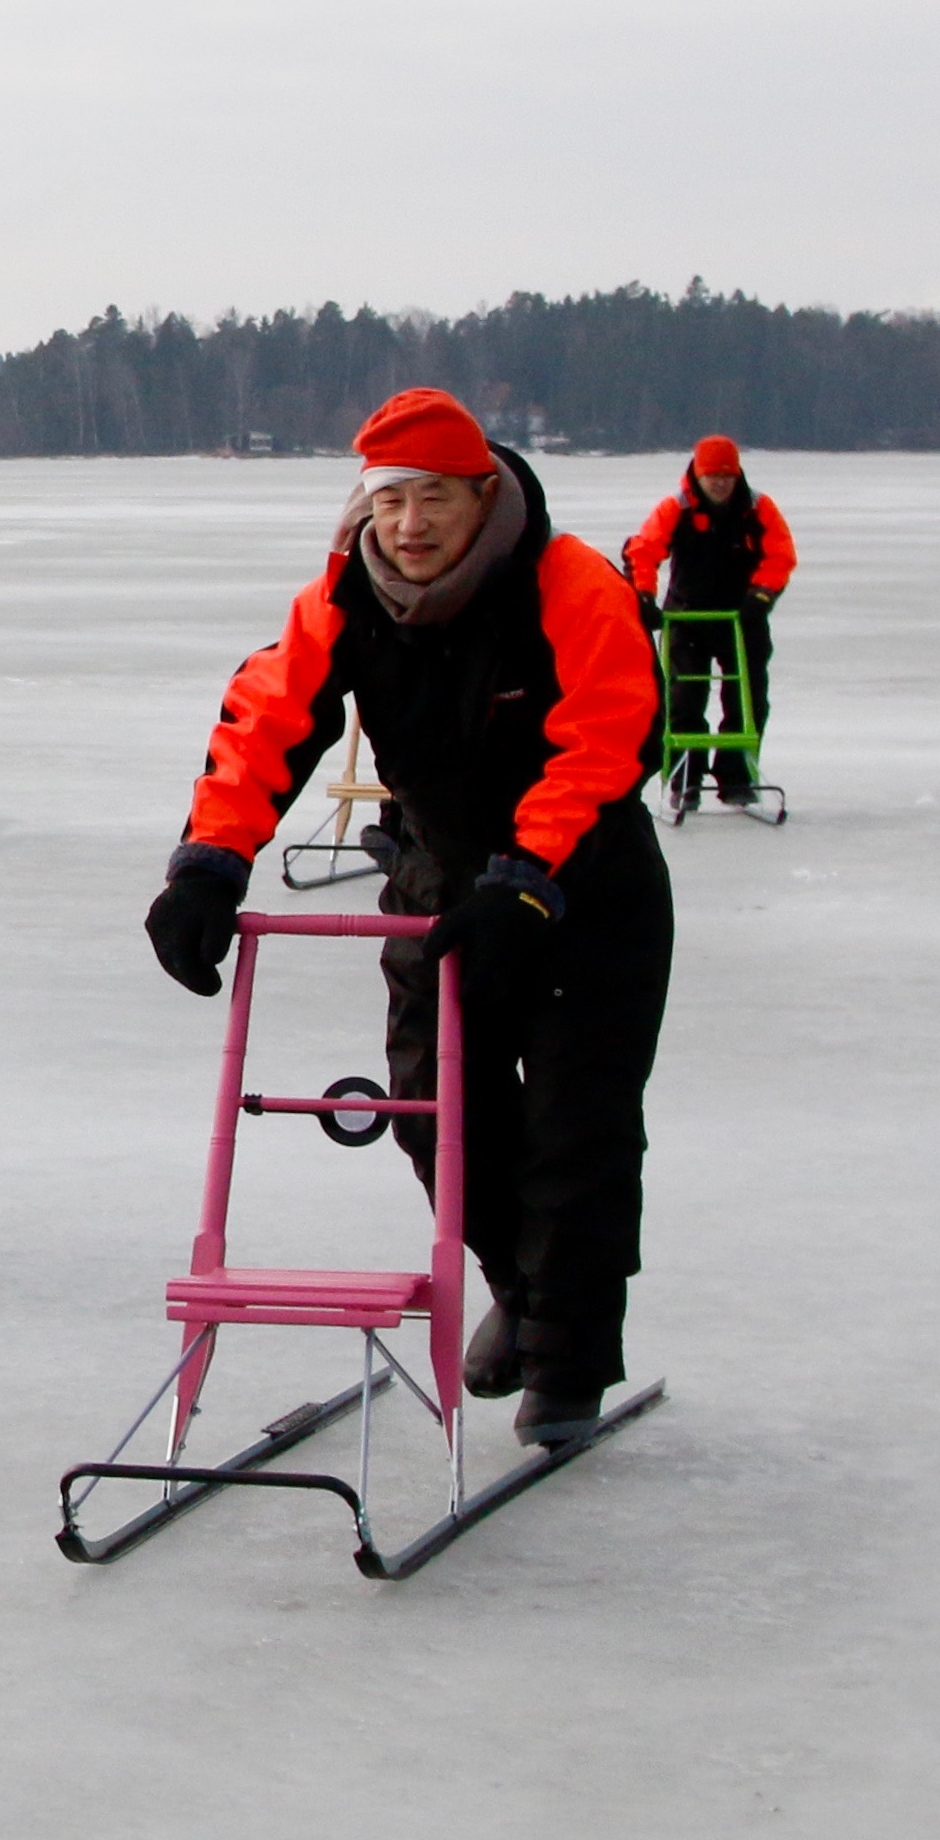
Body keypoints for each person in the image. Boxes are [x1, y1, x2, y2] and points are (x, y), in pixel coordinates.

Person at [140, 387, 670, 1444]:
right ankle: (518, 1287)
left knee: (578, 1130)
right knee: (438, 1117)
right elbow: (265, 718)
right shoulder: (344, 597)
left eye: (433, 499)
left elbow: (608, 741)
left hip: (583, 890)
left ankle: (567, 1356)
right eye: (389, 502)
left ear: (484, 495)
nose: (411, 526)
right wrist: (208, 863)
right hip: (435, 892)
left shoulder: (570, 584)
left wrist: (526, 876)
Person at [623, 435, 796, 802]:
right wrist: (644, 597)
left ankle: (736, 778)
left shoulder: (758, 507)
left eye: (727, 476)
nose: (720, 483)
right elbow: (643, 550)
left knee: (749, 700)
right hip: (687, 618)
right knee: (684, 699)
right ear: (698, 475)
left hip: (742, 618)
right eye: (712, 475)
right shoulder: (676, 507)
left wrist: (760, 596)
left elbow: (780, 555)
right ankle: (686, 778)